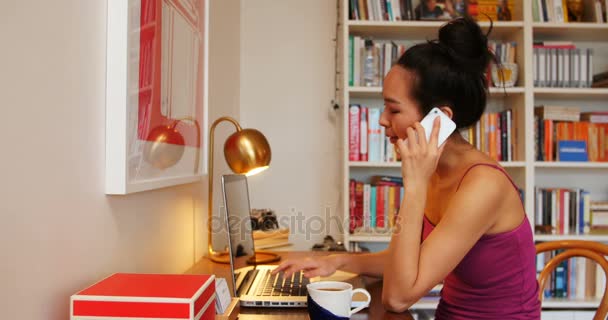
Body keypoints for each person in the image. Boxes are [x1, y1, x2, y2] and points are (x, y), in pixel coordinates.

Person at [273, 17, 541, 319]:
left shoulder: (483, 186)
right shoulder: (435, 173)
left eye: (394, 109)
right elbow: (407, 263)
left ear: (438, 119)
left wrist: (414, 186)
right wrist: (336, 262)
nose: (382, 120)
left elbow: (398, 298)